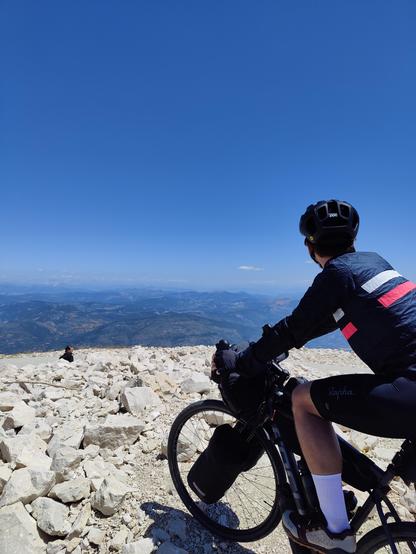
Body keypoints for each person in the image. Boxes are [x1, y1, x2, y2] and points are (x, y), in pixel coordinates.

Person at [213, 199, 416, 554]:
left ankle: (333, 532)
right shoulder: (375, 264)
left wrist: (242, 363)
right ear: (354, 239)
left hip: (411, 389)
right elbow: (316, 324)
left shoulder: (335, 275)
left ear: (310, 247)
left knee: (302, 400)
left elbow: (294, 328)